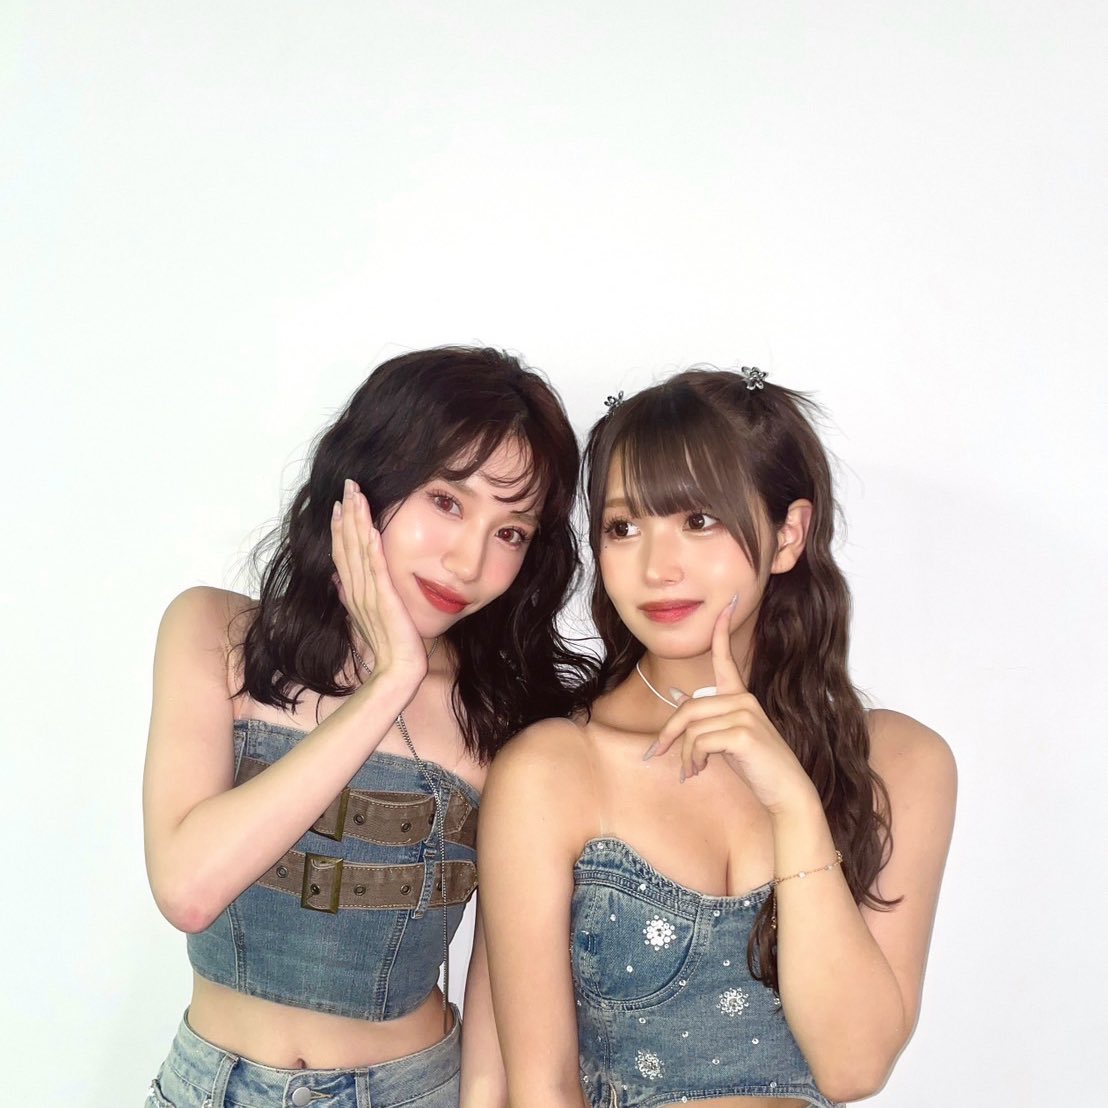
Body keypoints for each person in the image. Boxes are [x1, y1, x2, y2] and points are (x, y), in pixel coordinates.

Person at [479, 366, 957, 1107]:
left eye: (699, 520)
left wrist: (793, 804)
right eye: (623, 528)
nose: (656, 567)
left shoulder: (900, 762)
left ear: (788, 534)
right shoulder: (550, 770)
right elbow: (540, 1088)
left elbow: (854, 1067)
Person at [143, 346, 594, 1108]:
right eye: (447, 501)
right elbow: (188, 888)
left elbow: (500, 995)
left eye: (511, 532)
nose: (469, 560)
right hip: (206, 1088)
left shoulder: (507, 719)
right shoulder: (214, 635)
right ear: (368, 475)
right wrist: (390, 683)